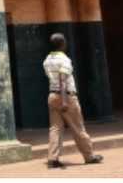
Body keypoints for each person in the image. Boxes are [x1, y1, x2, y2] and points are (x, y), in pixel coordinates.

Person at [43, 32, 103, 169]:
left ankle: (53, 158)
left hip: (52, 96)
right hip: (66, 96)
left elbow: (53, 79)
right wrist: (64, 100)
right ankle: (89, 156)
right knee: (78, 127)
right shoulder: (65, 60)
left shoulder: (47, 60)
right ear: (63, 44)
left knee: (55, 129)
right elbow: (62, 80)